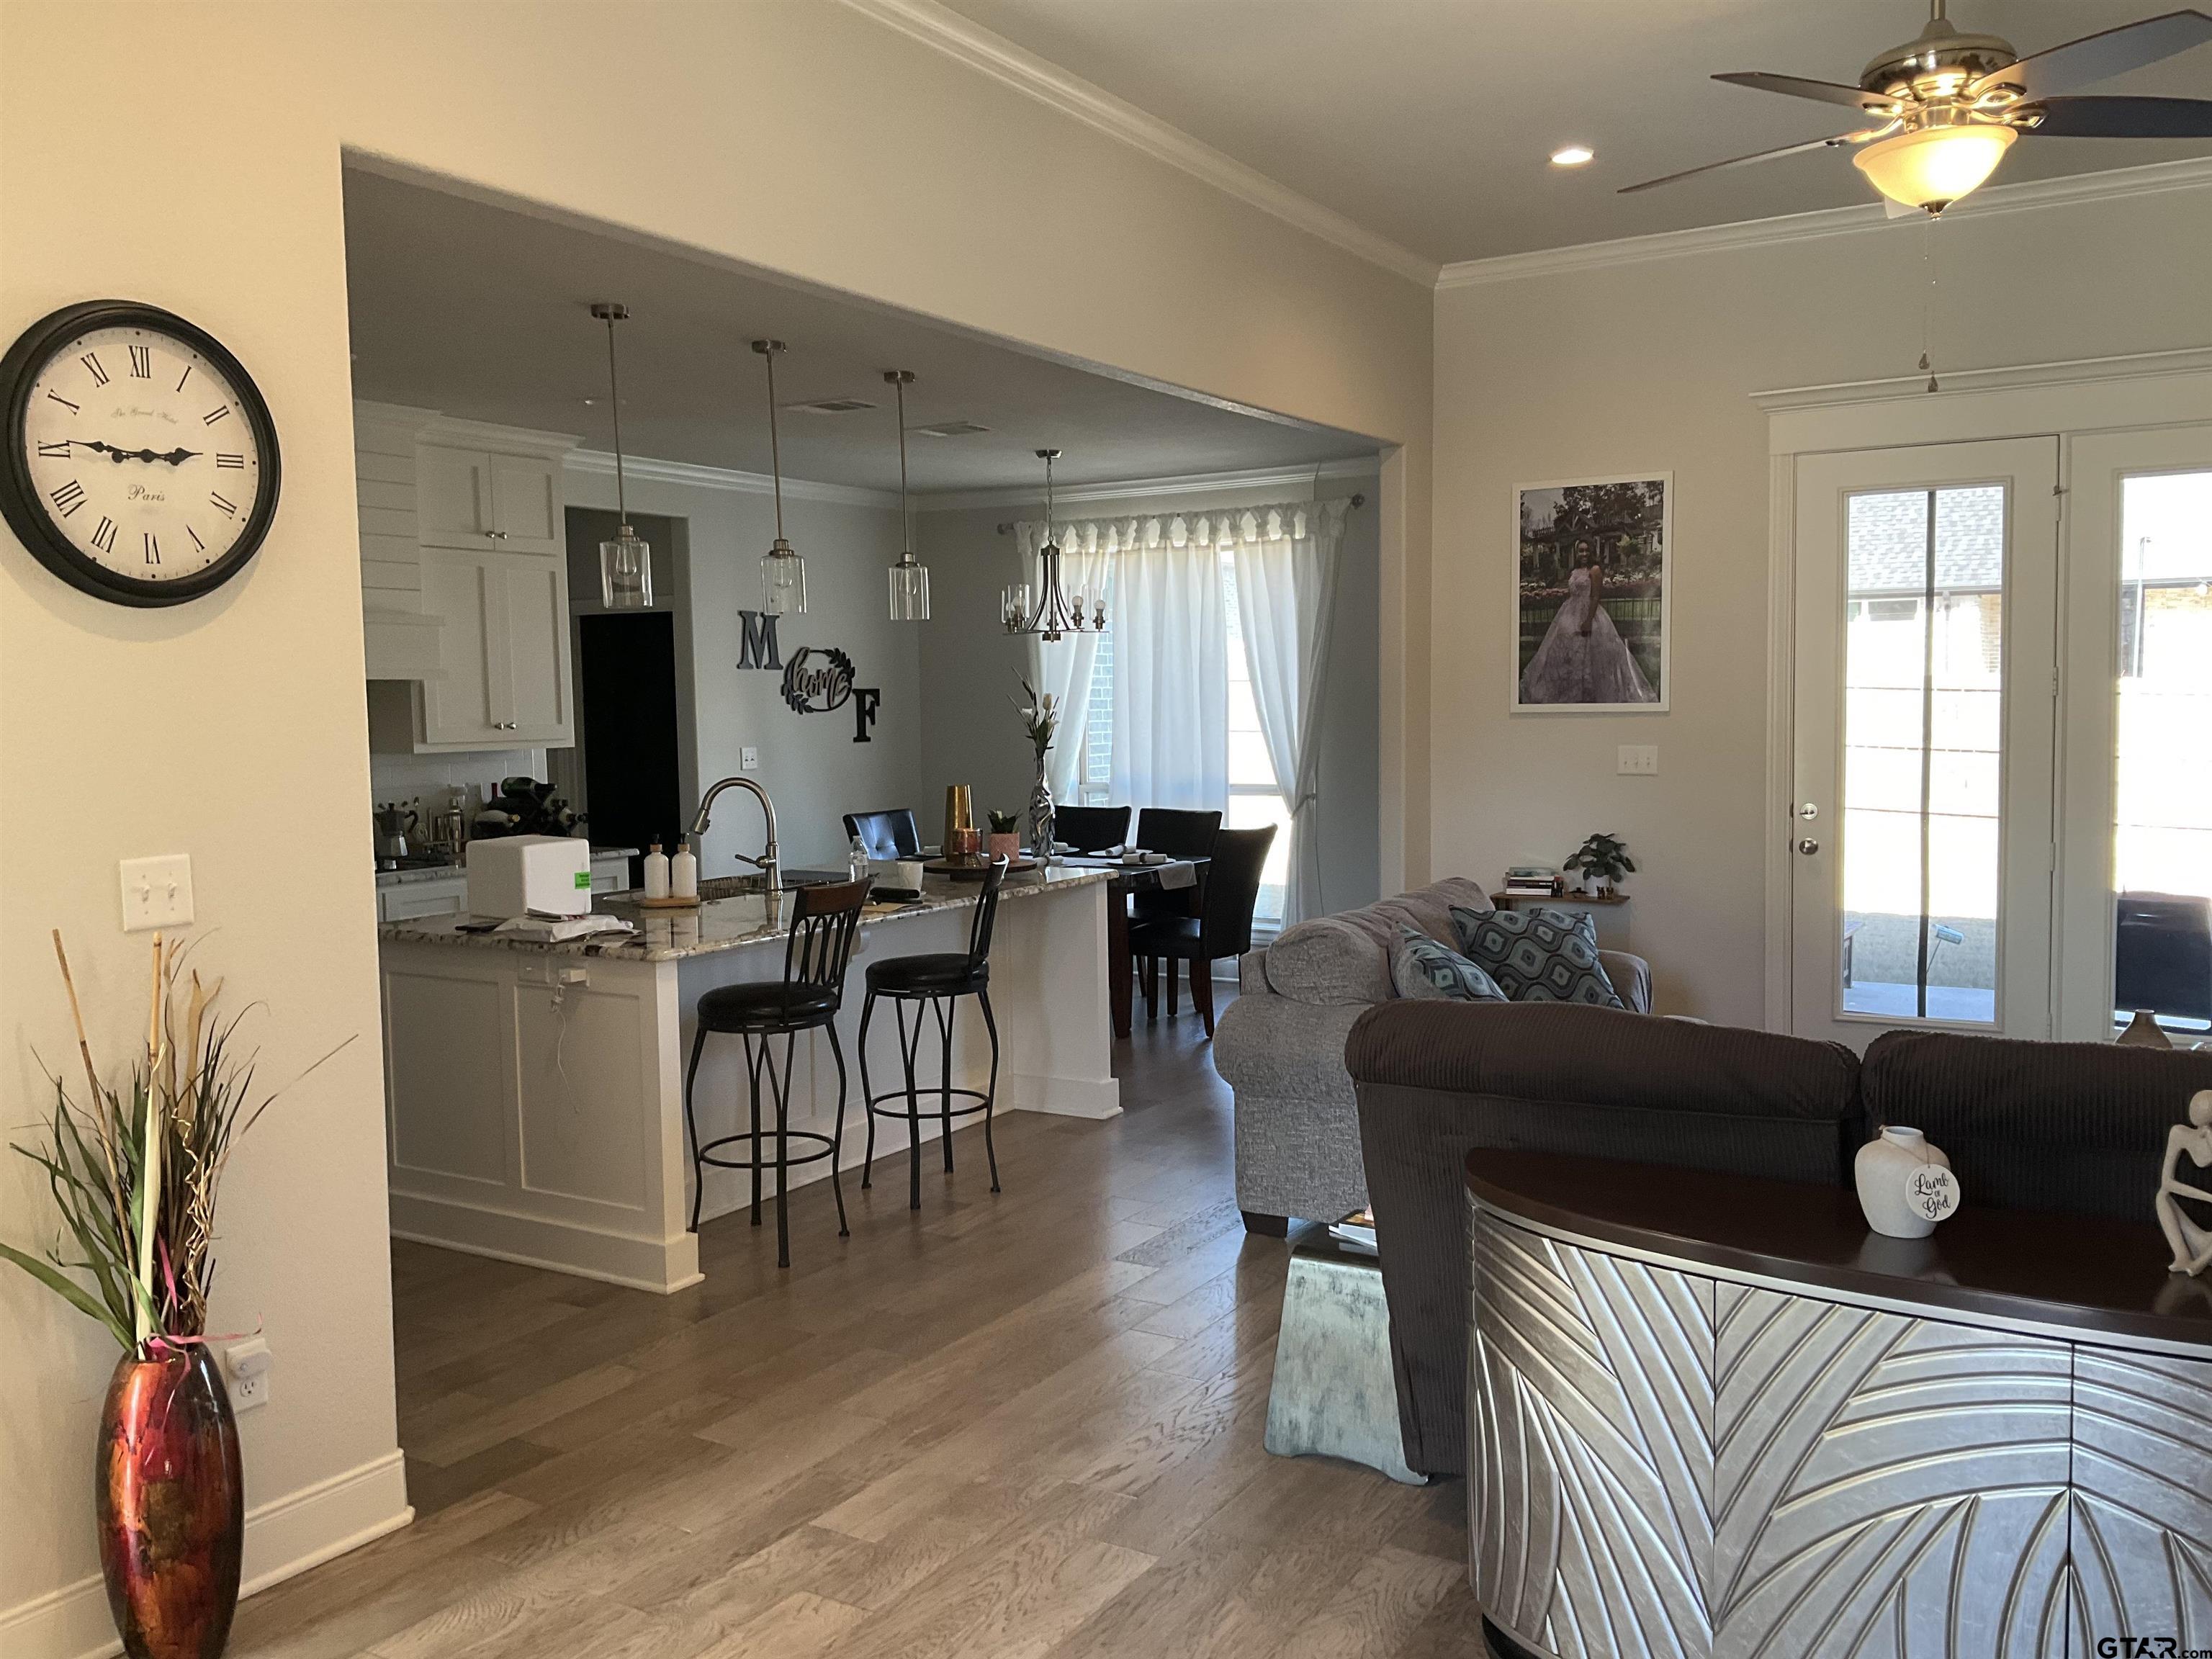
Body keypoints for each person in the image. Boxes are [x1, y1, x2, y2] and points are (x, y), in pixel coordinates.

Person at [1520, 538, 1657, 706]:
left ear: (1591, 552)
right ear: (1577, 553)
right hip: (1570, 612)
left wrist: (1588, 621)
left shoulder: (1595, 570)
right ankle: (1570, 689)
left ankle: (1591, 690)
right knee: (1566, 654)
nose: (1584, 554)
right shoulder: (1575, 571)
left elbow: (1596, 596)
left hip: (1590, 613)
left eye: (1586, 551)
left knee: (1594, 655)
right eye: (1581, 551)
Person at [2157, 1089, 2212, 1277]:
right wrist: (2209, 1197)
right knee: (2162, 1197)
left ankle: (2200, 1263)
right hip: (2196, 1237)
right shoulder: (2179, 1133)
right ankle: (2182, 1256)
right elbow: (2167, 1183)